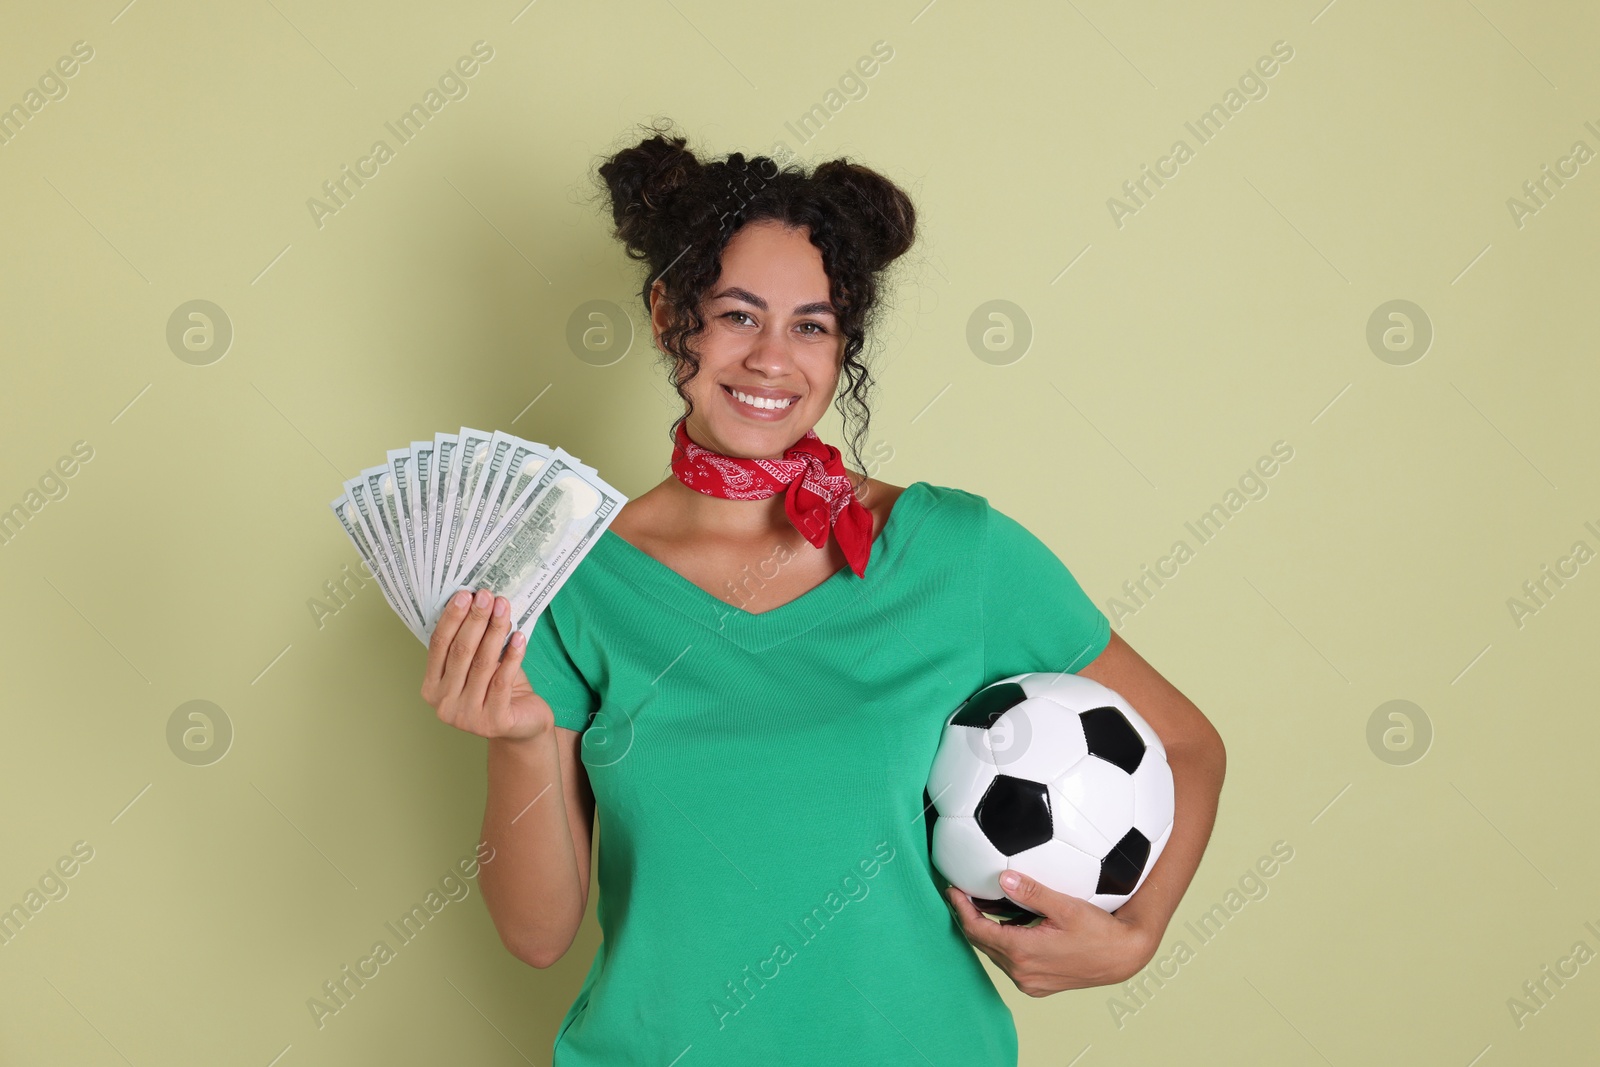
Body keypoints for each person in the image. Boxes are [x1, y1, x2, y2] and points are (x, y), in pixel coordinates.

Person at [420, 121, 1226, 1066]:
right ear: (665, 311)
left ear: (844, 347)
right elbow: (539, 934)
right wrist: (518, 741)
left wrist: (1135, 935)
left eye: (811, 325)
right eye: (736, 314)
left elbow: (1185, 744)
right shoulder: (572, 576)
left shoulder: (955, 552)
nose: (772, 358)